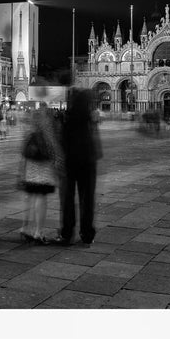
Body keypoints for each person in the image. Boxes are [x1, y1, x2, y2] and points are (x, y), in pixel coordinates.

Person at [56, 73, 102, 245]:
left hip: (72, 158)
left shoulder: (74, 106)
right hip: (89, 157)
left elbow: (66, 133)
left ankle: (67, 233)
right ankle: (87, 233)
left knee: (68, 198)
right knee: (87, 197)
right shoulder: (86, 101)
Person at [16, 104, 62, 243]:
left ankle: (25, 228)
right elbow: (53, 151)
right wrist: (57, 165)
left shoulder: (30, 130)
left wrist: (21, 171)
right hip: (43, 168)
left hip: (30, 167)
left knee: (30, 196)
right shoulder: (47, 131)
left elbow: (23, 151)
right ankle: (38, 232)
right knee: (41, 197)